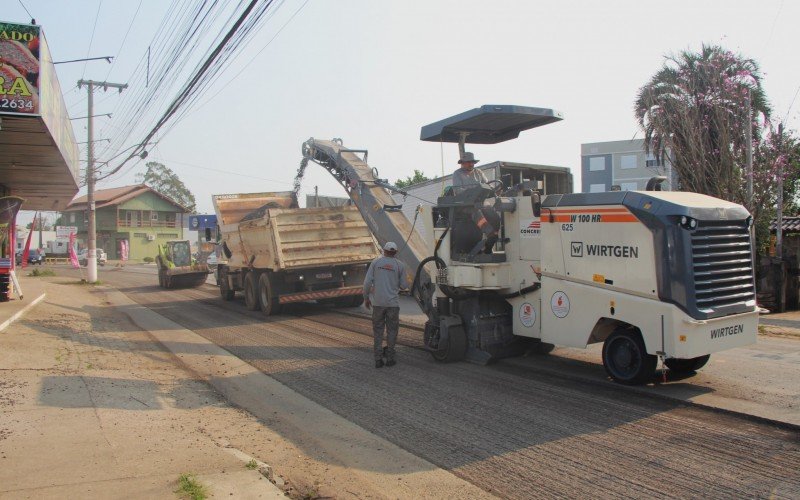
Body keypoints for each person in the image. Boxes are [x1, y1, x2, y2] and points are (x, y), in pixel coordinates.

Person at [363, 241, 409, 368]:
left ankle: (378, 360)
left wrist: (366, 298)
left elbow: (367, 283)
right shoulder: (400, 265)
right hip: (393, 304)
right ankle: (389, 359)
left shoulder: (376, 263)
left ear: (384, 250)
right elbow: (404, 285)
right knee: (392, 331)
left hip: (378, 304)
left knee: (378, 331)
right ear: (395, 252)